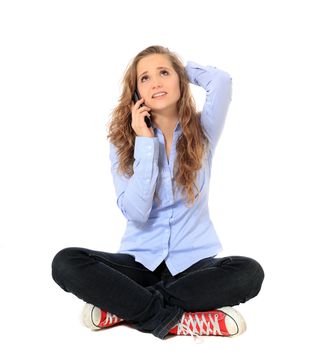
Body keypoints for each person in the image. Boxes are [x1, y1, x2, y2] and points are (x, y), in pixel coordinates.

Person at [51, 45, 265, 343]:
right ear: (136, 91)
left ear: (180, 79)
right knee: (66, 262)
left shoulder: (203, 130)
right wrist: (145, 144)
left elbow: (222, 81)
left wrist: (179, 67)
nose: (156, 83)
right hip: (139, 264)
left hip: (194, 267)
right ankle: (177, 320)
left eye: (164, 73)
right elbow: (136, 212)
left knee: (248, 272)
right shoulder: (122, 142)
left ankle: (124, 308)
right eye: (145, 78)